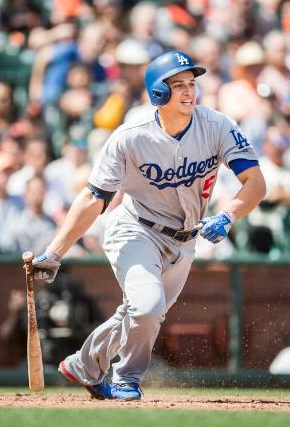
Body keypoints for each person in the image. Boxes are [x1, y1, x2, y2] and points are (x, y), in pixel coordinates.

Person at [31, 50, 266, 401]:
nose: (189, 92)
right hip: (137, 228)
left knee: (139, 314)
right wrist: (55, 252)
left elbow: (256, 183)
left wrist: (229, 214)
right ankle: (127, 378)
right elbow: (95, 197)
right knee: (147, 307)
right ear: (158, 92)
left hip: (185, 240)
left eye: (192, 84)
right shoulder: (131, 135)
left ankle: (84, 365)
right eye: (179, 85)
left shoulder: (217, 125)